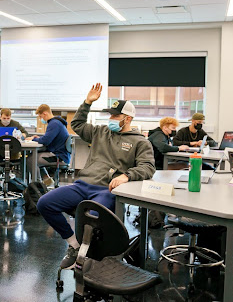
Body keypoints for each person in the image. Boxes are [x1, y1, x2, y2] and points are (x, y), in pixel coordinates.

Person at [36, 83, 155, 269]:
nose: (112, 119)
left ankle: (89, 256)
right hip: (83, 184)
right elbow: (76, 125)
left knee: (90, 218)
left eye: (116, 116)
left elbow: (148, 167)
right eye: (111, 115)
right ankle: (75, 246)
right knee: (44, 203)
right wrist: (87, 102)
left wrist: (127, 175)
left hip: (106, 189)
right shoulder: (100, 132)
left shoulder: (140, 142)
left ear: (128, 118)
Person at [26, 104, 70, 186]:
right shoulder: (57, 122)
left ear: (45, 114)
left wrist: (33, 139)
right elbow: (48, 138)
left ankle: (38, 186)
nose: (40, 119)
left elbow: (46, 141)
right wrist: (39, 138)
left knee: (31, 160)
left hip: (59, 157)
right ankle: (46, 180)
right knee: (35, 156)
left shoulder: (54, 124)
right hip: (62, 154)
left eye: (40, 116)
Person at [0, 108, 28, 180]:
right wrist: (0, 136)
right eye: (4, 118)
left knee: (17, 151)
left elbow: (25, 133)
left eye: (8, 118)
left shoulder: (15, 124)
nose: (6, 120)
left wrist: (19, 136)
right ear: (0, 117)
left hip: (12, 151)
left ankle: (9, 170)